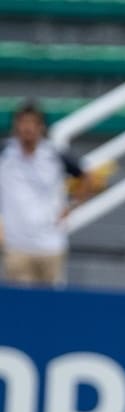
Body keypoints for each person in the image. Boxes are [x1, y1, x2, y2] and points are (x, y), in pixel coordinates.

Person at [0, 99, 96, 285]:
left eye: (32, 123)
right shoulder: (5, 152)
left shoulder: (54, 153)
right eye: (23, 122)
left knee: (51, 306)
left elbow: (87, 177)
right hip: (16, 244)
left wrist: (72, 205)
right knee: (20, 305)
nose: (27, 128)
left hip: (51, 243)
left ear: (41, 127)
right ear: (15, 125)